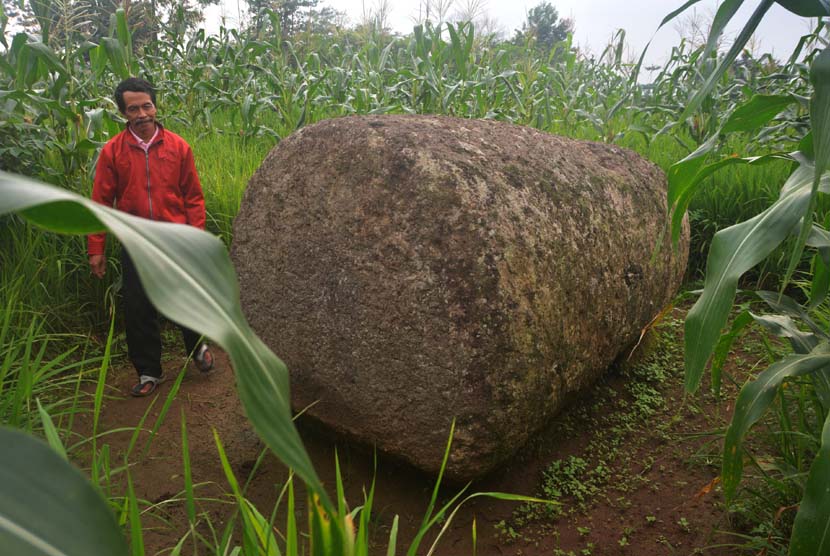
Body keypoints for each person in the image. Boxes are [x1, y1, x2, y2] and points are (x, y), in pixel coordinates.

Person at [88, 77, 214, 397]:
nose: (142, 114)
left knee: (186, 295)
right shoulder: (113, 152)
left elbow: (194, 198)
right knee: (138, 306)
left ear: (155, 106)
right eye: (133, 109)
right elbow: (101, 202)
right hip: (136, 242)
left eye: (147, 105)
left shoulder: (178, 147)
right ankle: (148, 371)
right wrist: (96, 247)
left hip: (176, 238)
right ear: (124, 113)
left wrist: (195, 238)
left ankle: (198, 348)